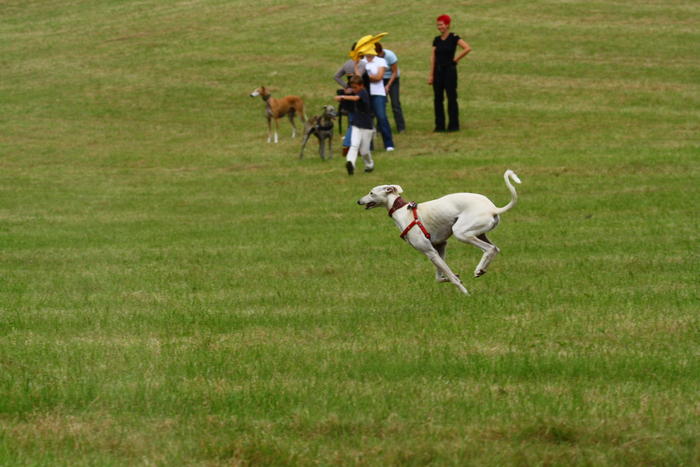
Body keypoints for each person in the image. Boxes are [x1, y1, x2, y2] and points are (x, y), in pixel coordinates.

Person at [428, 14, 472, 132]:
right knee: (438, 99)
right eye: (438, 25)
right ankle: (439, 126)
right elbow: (433, 57)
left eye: (441, 24)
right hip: (438, 71)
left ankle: (453, 125)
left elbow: (467, 48)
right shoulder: (436, 40)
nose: (439, 27)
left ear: (447, 25)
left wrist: (455, 59)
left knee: (451, 97)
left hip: (449, 71)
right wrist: (431, 75)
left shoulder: (454, 37)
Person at [335, 75, 375, 175]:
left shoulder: (363, 93)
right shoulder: (357, 91)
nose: (354, 89)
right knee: (354, 145)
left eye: (356, 87)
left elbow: (356, 98)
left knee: (364, 151)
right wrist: (346, 92)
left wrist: (343, 97)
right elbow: (351, 93)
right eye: (353, 87)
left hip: (366, 127)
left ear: (361, 85)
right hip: (356, 125)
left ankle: (369, 165)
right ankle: (350, 163)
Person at [334, 44, 367, 156]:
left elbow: (336, 76)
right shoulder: (362, 64)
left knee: (352, 121)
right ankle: (349, 145)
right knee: (357, 122)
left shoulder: (347, 64)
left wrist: (347, 87)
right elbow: (359, 78)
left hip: (348, 95)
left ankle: (350, 145)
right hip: (358, 95)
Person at [360, 46, 395, 151]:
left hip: (378, 93)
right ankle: (369, 145)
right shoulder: (361, 62)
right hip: (366, 94)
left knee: (382, 117)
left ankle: (389, 144)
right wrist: (368, 77)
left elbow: (379, 77)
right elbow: (358, 79)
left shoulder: (380, 61)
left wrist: (367, 77)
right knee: (367, 119)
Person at [375, 43, 406, 133]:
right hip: (380, 80)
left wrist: (388, 85)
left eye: (379, 55)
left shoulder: (390, 56)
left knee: (395, 104)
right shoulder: (374, 58)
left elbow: (395, 72)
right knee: (381, 104)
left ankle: (401, 127)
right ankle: (380, 127)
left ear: (381, 52)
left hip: (393, 79)